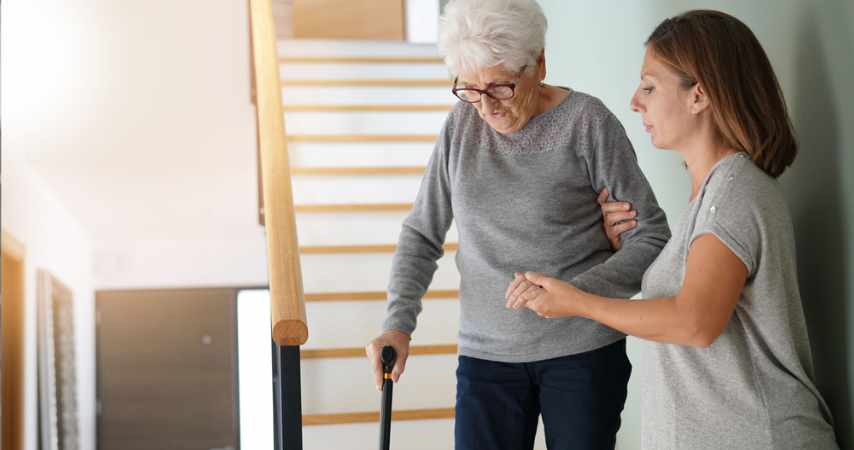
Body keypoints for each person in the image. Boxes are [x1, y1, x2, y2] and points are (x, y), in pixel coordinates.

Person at [506, 10, 839, 449]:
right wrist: (607, 246)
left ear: (698, 95)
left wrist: (578, 302)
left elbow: (694, 321)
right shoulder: (713, 196)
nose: (634, 102)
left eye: (649, 86)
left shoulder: (735, 193)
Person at [364, 0, 671, 448]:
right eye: (469, 88)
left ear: (539, 64)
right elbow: (421, 233)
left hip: (582, 350)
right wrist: (398, 323)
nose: (485, 106)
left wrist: (578, 294)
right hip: (485, 356)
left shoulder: (587, 123)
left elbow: (651, 235)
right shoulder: (460, 127)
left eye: (501, 87)